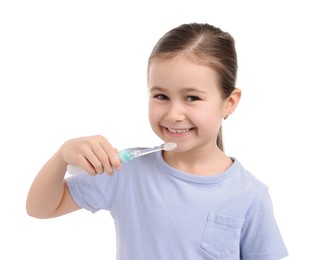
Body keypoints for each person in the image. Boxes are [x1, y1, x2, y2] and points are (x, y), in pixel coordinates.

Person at [26, 23, 288, 260]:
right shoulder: (124, 171)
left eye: (192, 98)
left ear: (229, 103)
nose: (173, 114)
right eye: (161, 96)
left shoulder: (250, 195)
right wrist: (62, 156)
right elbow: (40, 208)